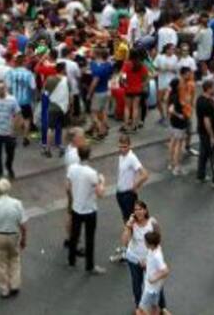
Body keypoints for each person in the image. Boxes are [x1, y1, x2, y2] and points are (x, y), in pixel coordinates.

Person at [66, 144, 107, 274]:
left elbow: (68, 186)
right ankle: (89, 266)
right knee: (89, 238)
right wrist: (102, 181)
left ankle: (71, 260)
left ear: (78, 155)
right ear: (89, 156)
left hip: (76, 207)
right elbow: (100, 194)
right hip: (89, 210)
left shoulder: (72, 168)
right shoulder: (91, 173)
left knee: (74, 235)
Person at [110, 133, 149, 261]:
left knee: (129, 223)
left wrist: (135, 186)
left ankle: (127, 252)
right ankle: (130, 246)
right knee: (126, 220)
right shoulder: (122, 156)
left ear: (129, 146)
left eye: (125, 147)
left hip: (128, 195)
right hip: (120, 194)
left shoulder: (132, 157)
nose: (122, 149)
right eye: (120, 147)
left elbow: (145, 174)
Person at [0, 178, 28, 299]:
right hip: (14, 235)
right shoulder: (17, 204)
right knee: (15, 259)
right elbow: (23, 225)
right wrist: (24, 238)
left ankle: (4, 289)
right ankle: (15, 285)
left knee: (0, 263)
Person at [0, 81, 22, 180]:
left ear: (5, 88)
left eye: (2, 88)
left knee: (10, 153)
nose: (1, 91)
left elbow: (18, 114)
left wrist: (14, 129)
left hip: (8, 132)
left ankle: (9, 166)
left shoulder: (12, 99)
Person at [196, 79, 214, 187]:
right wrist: (212, 136)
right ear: (209, 89)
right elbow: (207, 121)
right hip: (208, 133)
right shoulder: (207, 103)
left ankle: (201, 175)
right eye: (213, 87)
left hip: (201, 131)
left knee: (203, 154)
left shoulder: (200, 99)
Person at [137, 228, 169, 315]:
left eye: (145, 242)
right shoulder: (155, 249)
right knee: (154, 307)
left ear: (150, 244)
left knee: (139, 310)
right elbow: (152, 262)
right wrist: (146, 263)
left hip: (150, 289)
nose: (144, 243)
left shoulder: (157, 256)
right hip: (155, 288)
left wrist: (153, 279)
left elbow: (165, 271)